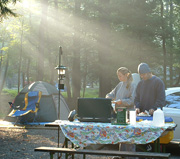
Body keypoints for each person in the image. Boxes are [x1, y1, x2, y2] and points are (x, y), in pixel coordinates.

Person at [106, 67, 137, 159]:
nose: (119, 77)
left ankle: (131, 157)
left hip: (130, 114)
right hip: (120, 114)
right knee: (121, 135)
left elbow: (132, 100)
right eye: (118, 76)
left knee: (129, 136)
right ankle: (122, 156)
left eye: (120, 76)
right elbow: (112, 94)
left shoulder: (133, 85)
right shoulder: (120, 84)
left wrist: (121, 101)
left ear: (126, 75)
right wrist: (108, 96)